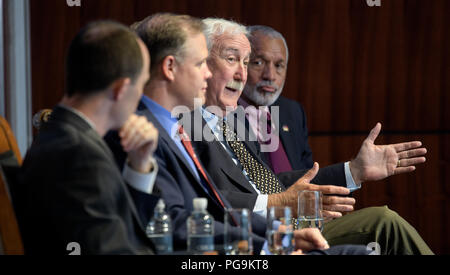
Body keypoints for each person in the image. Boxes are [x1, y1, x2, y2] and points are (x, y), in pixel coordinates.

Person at [107, 13, 368, 255]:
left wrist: (278, 236)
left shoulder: (182, 124)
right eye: (201, 63)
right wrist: (271, 243)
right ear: (170, 67)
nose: (207, 74)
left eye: (246, 62)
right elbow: (176, 220)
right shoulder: (145, 130)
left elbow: (215, 205)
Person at [194, 19, 433, 255]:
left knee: (383, 220)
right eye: (232, 59)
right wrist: (278, 205)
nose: (241, 74)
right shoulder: (185, 122)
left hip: (292, 223)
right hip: (255, 239)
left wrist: (354, 170)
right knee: (384, 221)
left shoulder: (234, 121)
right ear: (201, 65)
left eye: (246, 63)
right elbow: (198, 199)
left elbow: (272, 182)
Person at [19, 21, 160, 255]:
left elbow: (123, 231)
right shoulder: (79, 155)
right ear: (121, 89)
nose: (141, 96)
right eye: (142, 85)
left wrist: (139, 165)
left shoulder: (66, 136)